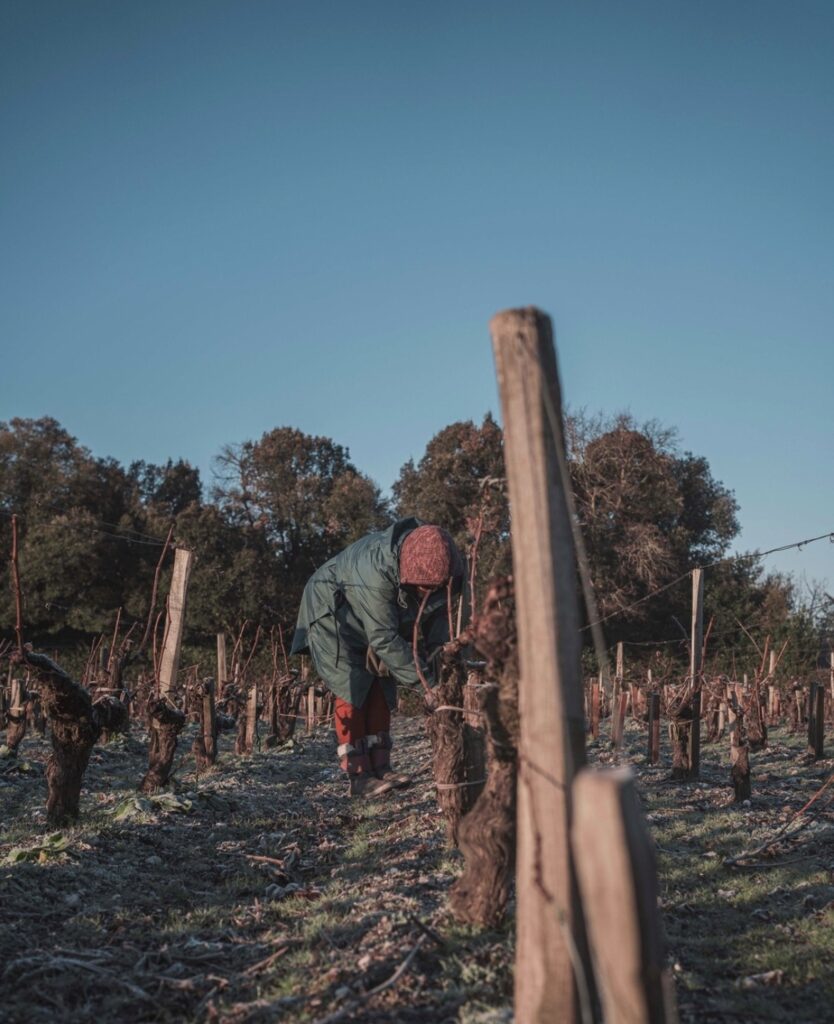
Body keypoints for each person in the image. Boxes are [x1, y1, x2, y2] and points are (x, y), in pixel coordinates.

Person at [291, 517, 464, 797]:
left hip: (370, 617)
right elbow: (384, 637)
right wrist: (429, 686)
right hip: (332, 612)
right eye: (422, 589)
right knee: (352, 684)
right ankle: (358, 774)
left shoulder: (448, 566)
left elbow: (440, 627)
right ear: (408, 575)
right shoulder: (375, 573)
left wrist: (446, 672)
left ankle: (381, 766)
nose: (427, 595)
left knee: (382, 685)